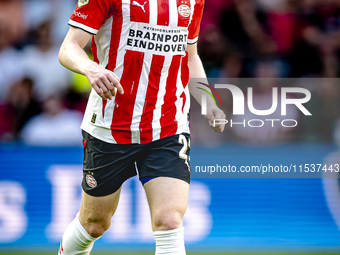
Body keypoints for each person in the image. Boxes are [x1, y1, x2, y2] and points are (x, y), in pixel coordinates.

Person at [57, 0, 226, 254]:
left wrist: (208, 101)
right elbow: (68, 47)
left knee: (169, 220)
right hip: (110, 126)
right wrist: (90, 68)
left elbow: (189, 55)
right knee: (94, 224)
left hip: (168, 125)